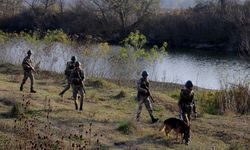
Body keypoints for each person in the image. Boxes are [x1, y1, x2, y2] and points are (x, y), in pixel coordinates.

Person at [178, 80, 197, 145]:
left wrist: (195, 111)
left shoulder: (192, 93)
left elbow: (193, 102)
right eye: (189, 88)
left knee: (188, 125)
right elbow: (179, 103)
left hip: (189, 111)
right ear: (187, 87)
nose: (190, 89)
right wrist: (181, 111)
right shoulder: (182, 93)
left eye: (191, 88)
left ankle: (186, 138)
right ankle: (186, 139)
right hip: (183, 111)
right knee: (187, 124)